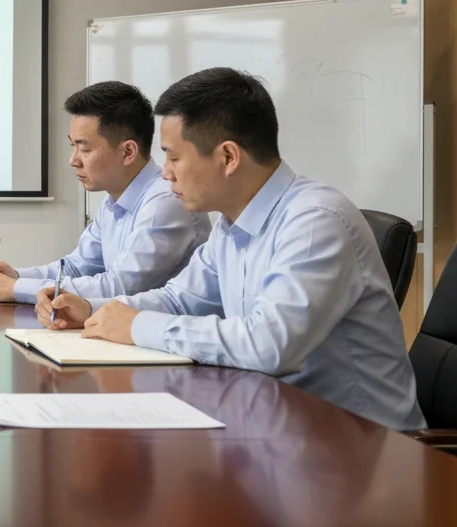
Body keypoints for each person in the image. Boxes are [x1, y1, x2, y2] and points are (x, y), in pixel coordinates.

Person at [40, 68, 425, 431]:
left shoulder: (314, 222)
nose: (165, 172)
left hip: (361, 443)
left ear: (228, 157)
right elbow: (179, 300)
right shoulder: (231, 224)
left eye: (174, 157)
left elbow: (270, 345)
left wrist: (137, 325)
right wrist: (94, 310)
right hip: (275, 421)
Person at [0, 81, 209, 303]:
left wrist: (16, 288)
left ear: (128, 152)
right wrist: (15, 276)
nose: (73, 160)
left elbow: (119, 287)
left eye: (84, 149)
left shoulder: (166, 201)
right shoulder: (113, 200)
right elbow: (77, 266)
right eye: (72, 146)